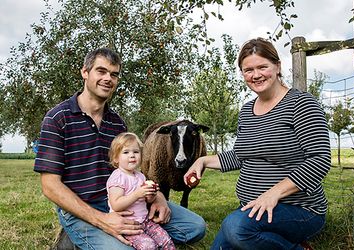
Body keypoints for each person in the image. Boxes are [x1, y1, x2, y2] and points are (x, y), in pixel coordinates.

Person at [34, 47, 205, 249]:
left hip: (124, 200)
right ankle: (78, 235)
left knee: (195, 227)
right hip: (81, 207)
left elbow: (131, 169)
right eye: (101, 71)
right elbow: (50, 186)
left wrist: (157, 196)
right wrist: (102, 220)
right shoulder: (57, 118)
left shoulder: (117, 123)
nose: (108, 78)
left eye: (114, 74)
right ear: (85, 72)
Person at [184, 38, 331, 250]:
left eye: (263, 67)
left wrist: (274, 193)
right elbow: (241, 154)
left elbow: (319, 160)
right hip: (252, 207)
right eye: (248, 70)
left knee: (236, 228)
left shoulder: (301, 104)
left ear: (277, 66)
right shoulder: (246, 111)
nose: (256, 75)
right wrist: (203, 161)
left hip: (299, 208)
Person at [107, 132, 176, 249]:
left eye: (136, 152)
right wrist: (137, 194)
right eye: (126, 152)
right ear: (116, 158)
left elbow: (147, 201)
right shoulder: (117, 178)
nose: (132, 155)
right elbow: (116, 205)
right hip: (127, 225)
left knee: (165, 239)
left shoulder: (140, 176)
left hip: (145, 221)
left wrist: (151, 194)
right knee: (148, 246)